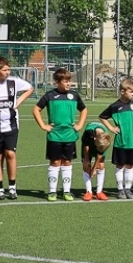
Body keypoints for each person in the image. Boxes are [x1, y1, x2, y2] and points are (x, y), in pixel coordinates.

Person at [34, 67, 88, 200]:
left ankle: (66, 191)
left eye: (69, 81)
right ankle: (52, 191)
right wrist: (43, 125)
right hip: (54, 135)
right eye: (65, 81)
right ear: (57, 82)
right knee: (55, 162)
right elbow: (36, 109)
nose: (68, 83)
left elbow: (84, 110)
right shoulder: (50, 95)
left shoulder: (74, 95)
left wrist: (79, 125)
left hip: (70, 135)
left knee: (67, 162)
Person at [0, 57, 34, 200]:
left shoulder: (14, 82)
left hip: (12, 124)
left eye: (9, 70)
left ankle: (12, 187)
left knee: (11, 155)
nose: (8, 72)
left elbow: (29, 88)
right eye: (5, 70)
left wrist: (18, 102)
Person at [100, 78, 133, 200]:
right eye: (131, 92)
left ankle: (128, 189)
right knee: (120, 165)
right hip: (120, 142)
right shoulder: (115, 106)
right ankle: (120, 189)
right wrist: (111, 127)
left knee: (130, 165)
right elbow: (102, 117)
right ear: (122, 91)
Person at [80, 117, 112, 201]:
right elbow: (86, 145)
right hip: (87, 146)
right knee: (86, 166)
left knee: (101, 166)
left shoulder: (105, 140)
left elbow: (100, 154)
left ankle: (99, 192)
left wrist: (94, 168)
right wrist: (86, 160)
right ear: (95, 140)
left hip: (98, 144)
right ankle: (89, 192)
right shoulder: (88, 132)